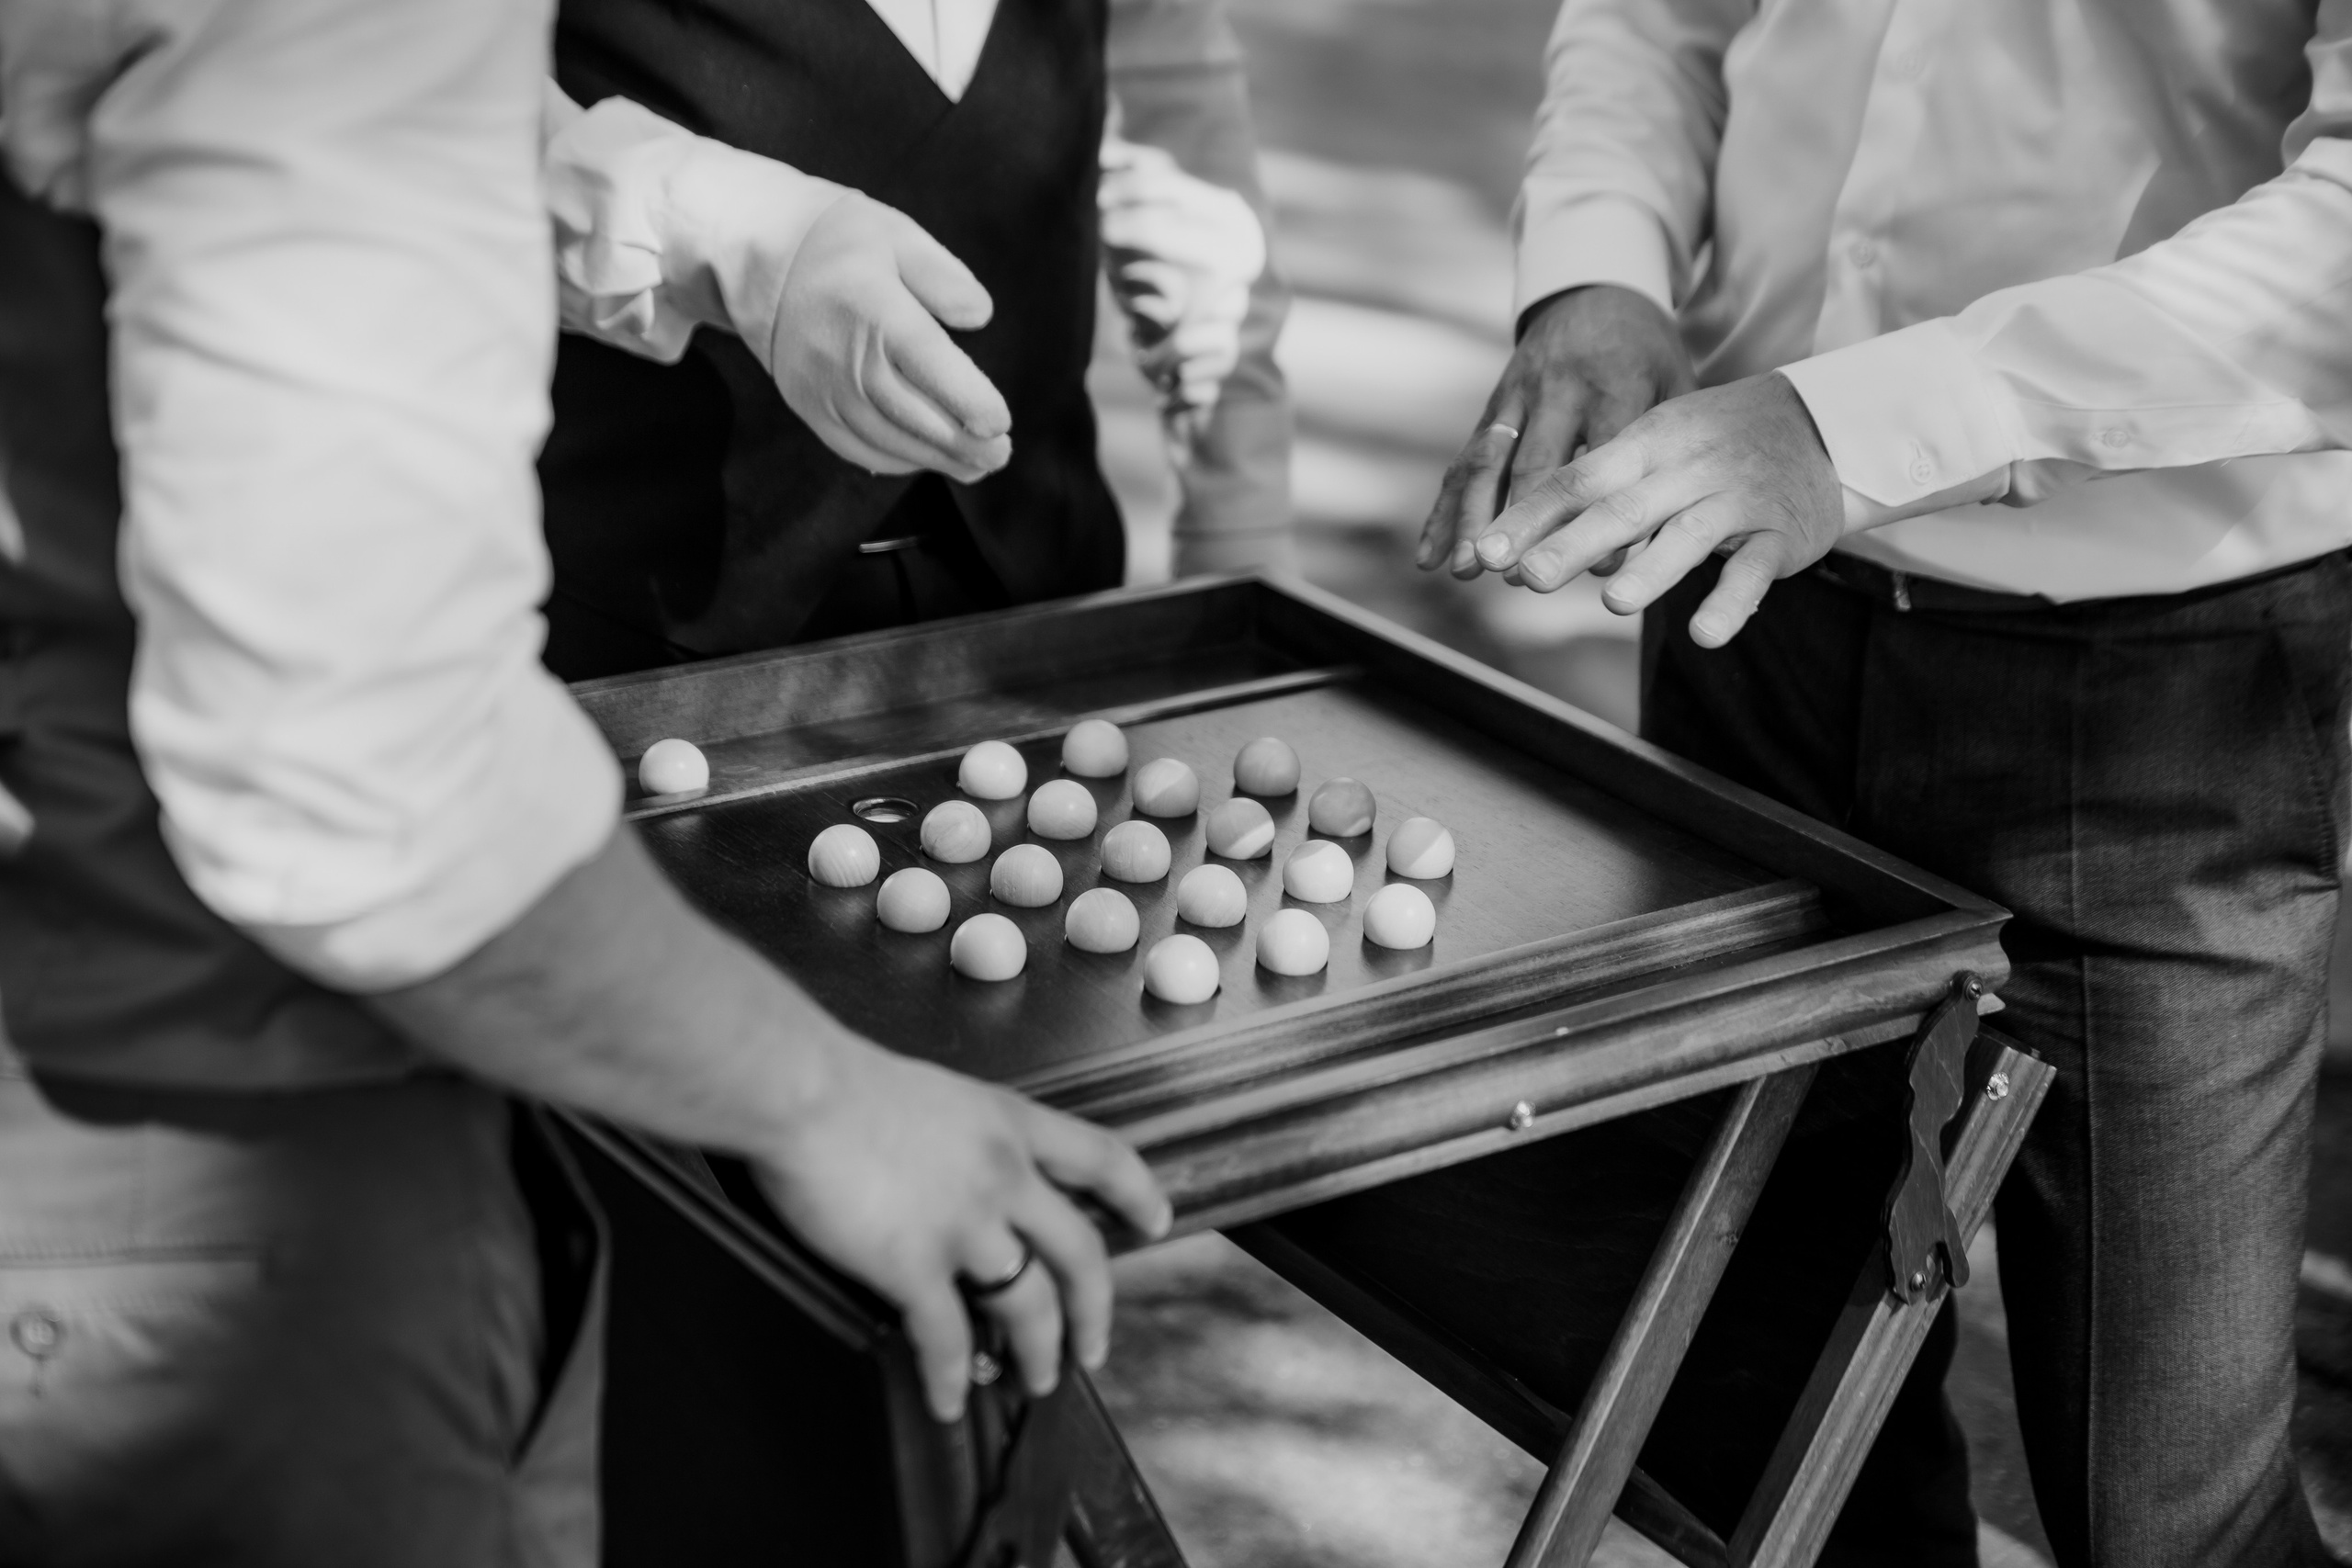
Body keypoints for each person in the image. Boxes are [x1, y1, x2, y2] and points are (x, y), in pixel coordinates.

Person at [0, 0, 1167, 1560]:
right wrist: (823, 1101)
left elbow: (372, 125)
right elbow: (364, 786)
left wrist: (746, 230)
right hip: (217, 1132)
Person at [1410, 2, 2352, 1562]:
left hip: (2155, 696)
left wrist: (1852, 422)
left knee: (2169, 1512)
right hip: (1749, 609)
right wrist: (1601, 269)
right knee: (1771, 1426)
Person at [532, 0, 1292, 682]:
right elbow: (446, 128)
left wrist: (1240, 537)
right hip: (642, 629)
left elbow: (1172, 115)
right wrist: (737, 242)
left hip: (1047, 616)